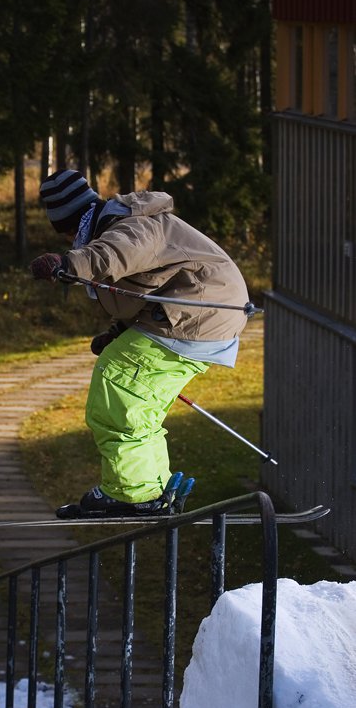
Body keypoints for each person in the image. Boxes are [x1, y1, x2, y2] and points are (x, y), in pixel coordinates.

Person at [31, 168, 249, 519]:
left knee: (117, 383)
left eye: (70, 234)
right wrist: (119, 331)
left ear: (70, 222)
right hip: (196, 313)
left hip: (197, 315)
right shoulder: (126, 222)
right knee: (136, 400)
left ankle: (133, 492)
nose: (74, 240)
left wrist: (66, 262)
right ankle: (153, 486)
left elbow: (112, 254)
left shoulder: (130, 228)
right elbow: (148, 287)